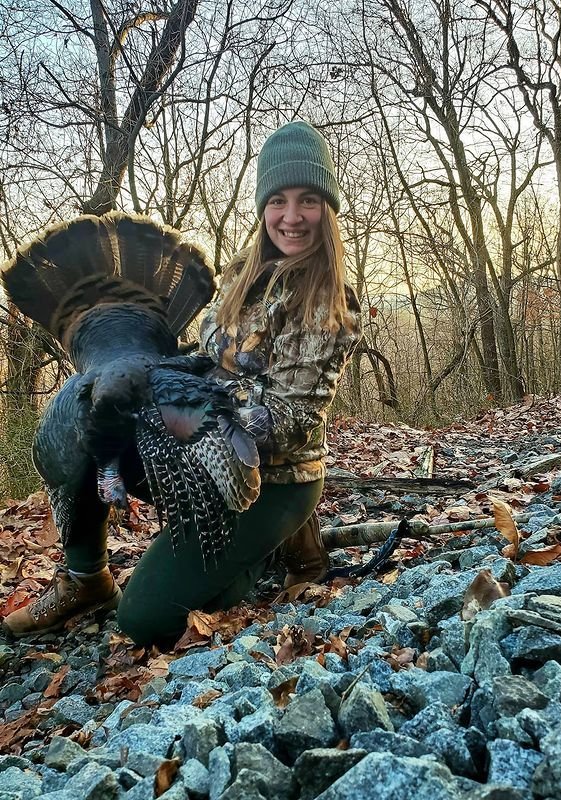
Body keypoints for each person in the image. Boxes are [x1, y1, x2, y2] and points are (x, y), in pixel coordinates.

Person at [3, 120, 362, 646]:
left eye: (308, 200)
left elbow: (291, 422)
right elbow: (208, 359)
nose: (291, 217)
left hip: (275, 475)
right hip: (204, 448)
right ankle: (86, 578)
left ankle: (273, 542)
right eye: (278, 200)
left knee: (144, 621)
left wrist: (185, 405)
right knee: (88, 411)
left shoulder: (330, 301)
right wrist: (156, 381)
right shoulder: (244, 273)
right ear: (263, 207)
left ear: (326, 209)